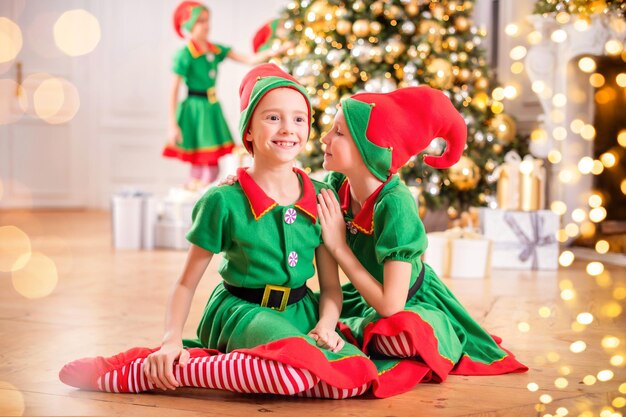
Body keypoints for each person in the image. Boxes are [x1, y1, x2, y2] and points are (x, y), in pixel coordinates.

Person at [59, 64, 378, 399]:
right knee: (297, 372)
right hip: (241, 313)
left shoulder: (321, 198)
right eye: (273, 118)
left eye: (299, 119)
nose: (288, 129)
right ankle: (159, 368)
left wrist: (326, 324)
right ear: (249, 131)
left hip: (303, 314)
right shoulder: (223, 201)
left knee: (357, 375)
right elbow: (186, 282)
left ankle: (212, 365)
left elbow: (330, 287)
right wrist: (171, 339)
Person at [316, 86, 528, 396]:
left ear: (370, 150)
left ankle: (379, 340)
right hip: (364, 296)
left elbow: (391, 304)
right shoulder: (337, 186)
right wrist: (239, 181)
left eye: (339, 133)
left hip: (407, 303)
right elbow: (289, 190)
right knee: (304, 310)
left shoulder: (395, 205)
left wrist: (339, 247)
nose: (325, 138)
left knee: (402, 328)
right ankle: (358, 335)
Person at [164, 1, 291, 190]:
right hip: (194, 109)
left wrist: (276, 50)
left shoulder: (214, 50)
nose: (206, 26)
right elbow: (173, 89)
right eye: (200, 21)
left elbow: (248, 59)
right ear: (188, 25)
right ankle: (195, 192)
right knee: (200, 159)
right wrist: (172, 124)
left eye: (207, 20)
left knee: (212, 162)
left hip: (211, 107)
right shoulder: (186, 54)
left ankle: (203, 192)